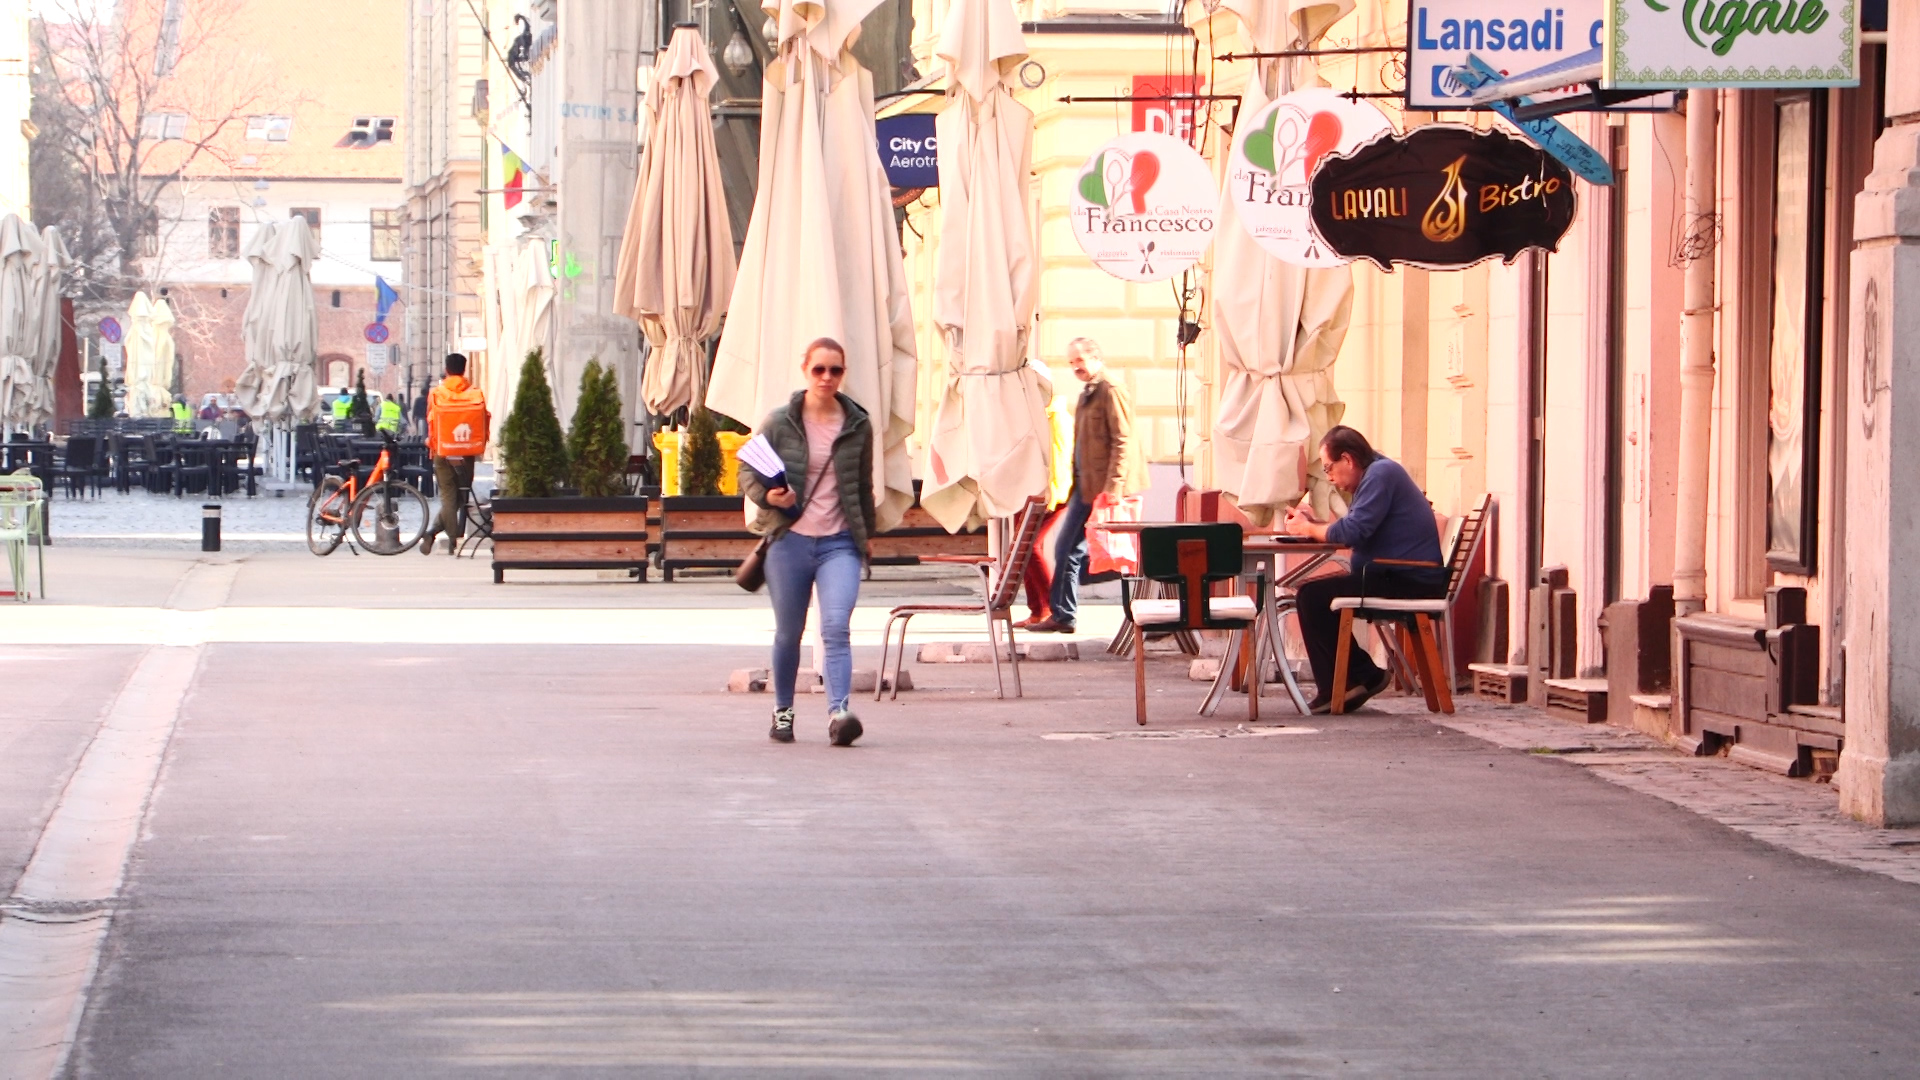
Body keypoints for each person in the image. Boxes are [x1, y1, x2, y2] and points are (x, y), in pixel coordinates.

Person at [738, 338, 876, 747]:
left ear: (843, 373)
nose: (827, 378)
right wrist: (769, 496)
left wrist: (866, 535)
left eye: (835, 370)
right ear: (805, 370)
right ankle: (783, 712)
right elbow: (747, 468)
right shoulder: (780, 421)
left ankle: (839, 714)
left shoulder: (858, 424)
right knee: (789, 632)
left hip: (840, 543)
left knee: (836, 626)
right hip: (789, 540)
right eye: (819, 369)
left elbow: (862, 486)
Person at [1284, 425, 1447, 714]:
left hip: (1407, 579)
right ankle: (1359, 677)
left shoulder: (1381, 475)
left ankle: (1353, 680)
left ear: (1347, 459)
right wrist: (1313, 525)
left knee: (1312, 596)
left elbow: (1352, 533)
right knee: (1312, 593)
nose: (1330, 478)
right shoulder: (1377, 473)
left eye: (1329, 468)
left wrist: (1309, 528)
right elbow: (1354, 527)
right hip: (1394, 574)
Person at [1024, 338, 1144, 634]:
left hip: (1100, 486)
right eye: (1071, 362)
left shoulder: (1110, 390)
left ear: (1096, 357)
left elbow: (1123, 439)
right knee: (1070, 549)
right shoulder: (1090, 391)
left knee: (1071, 549)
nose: (1075, 367)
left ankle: (1064, 614)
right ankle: (1063, 614)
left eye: (1079, 360)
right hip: (1085, 484)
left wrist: (1114, 486)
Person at [419, 354, 490, 556]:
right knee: (461, 495)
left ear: (447, 370)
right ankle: (438, 534)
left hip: (443, 450)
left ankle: (448, 539)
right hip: (467, 451)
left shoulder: (437, 393)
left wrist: (431, 442)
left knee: (448, 497)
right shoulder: (475, 393)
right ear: (464, 370)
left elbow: (430, 421)